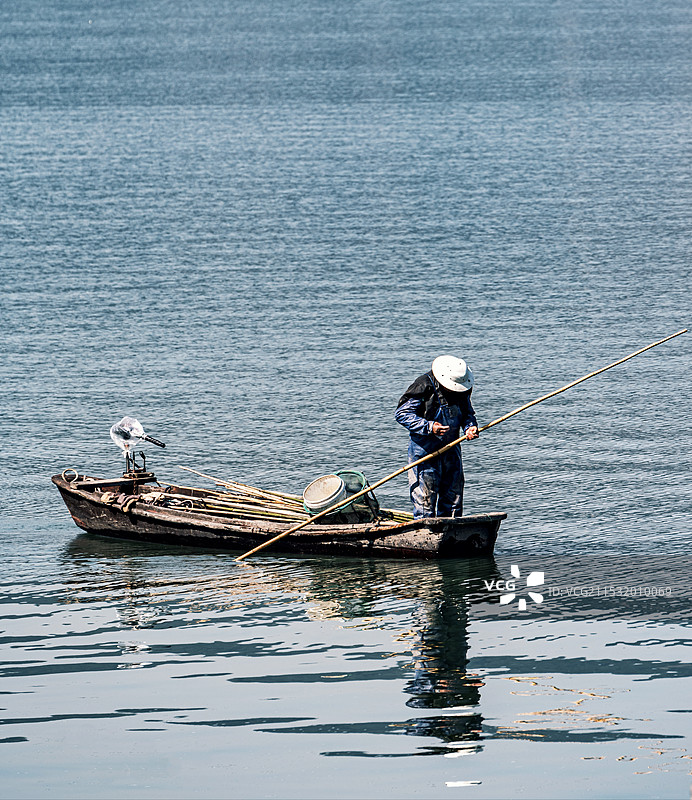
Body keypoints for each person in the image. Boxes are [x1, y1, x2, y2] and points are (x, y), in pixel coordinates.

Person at [395, 356, 479, 519]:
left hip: (451, 450)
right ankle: (426, 536)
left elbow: (467, 413)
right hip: (425, 453)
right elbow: (402, 414)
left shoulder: (463, 389)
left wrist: (470, 427)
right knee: (425, 502)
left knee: (453, 501)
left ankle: (451, 536)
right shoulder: (424, 386)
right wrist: (429, 427)